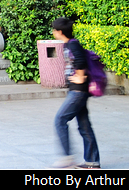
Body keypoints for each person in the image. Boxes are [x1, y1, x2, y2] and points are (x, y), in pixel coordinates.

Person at [52, 18, 100, 169]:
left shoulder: (73, 44)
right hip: (78, 90)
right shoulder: (69, 44)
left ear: (60, 32)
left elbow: (80, 60)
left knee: (60, 120)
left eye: (54, 30)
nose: (53, 32)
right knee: (84, 126)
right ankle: (92, 162)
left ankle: (67, 158)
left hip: (78, 91)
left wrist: (80, 76)